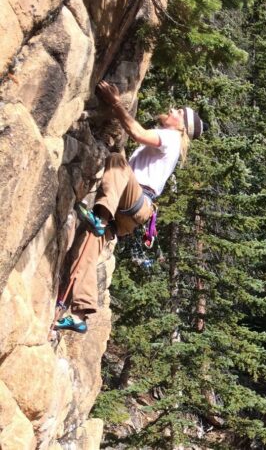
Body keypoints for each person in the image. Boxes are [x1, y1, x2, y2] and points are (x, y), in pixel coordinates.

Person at [55, 80, 204, 333]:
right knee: (87, 247)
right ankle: (79, 314)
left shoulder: (170, 138)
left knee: (116, 160)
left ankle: (100, 218)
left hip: (136, 200)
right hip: (131, 213)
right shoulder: (171, 143)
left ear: (182, 127)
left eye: (179, 112)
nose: (173, 110)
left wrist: (114, 102)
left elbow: (137, 133)